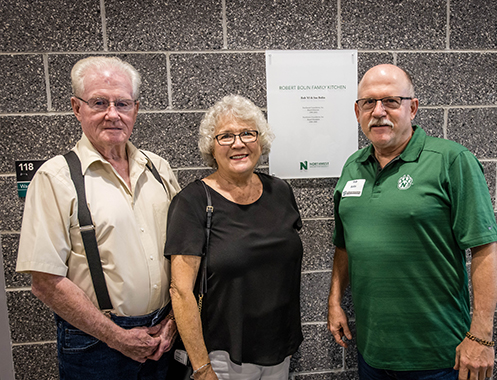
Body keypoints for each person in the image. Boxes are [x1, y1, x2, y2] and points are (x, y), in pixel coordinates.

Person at [327, 64, 497, 380]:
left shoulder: (451, 160)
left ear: (413, 107)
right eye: (369, 102)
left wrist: (481, 336)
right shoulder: (353, 166)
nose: (378, 111)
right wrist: (335, 300)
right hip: (373, 353)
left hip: (440, 356)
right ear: (357, 111)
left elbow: (484, 249)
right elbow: (345, 244)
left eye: (391, 101)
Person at [16, 56, 181, 380]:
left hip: (163, 336)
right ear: (77, 108)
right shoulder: (56, 178)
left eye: (122, 103)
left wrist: (175, 320)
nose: (112, 114)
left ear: (136, 109)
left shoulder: (158, 170)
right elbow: (45, 282)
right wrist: (116, 337)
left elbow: (184, 254)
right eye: (99, 102)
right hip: (96, 347)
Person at [165, 94, 303, 380]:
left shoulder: (281, 192)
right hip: (223, 359)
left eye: (247, 134)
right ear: (211, 147)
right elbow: (181, 292)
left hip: (279, 350)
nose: (238, 143)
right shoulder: (192, 202)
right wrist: (202, 369)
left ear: (260, 140)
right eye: (225, 136)